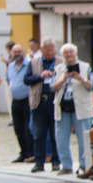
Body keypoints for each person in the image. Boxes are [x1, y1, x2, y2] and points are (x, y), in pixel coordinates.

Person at [52, 43, 93, 176]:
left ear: (76, 54)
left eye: (71, 53)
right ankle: (66, 165)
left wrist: (81, 79)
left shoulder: (85, 67)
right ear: (63, 55)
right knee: (61, 138)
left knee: (84, 137)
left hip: (81, 107)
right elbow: (52, 87)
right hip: (63, 106)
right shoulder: (59, 68)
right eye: (66, 53)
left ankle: (84, 165)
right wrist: (64, 79)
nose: (69, 55)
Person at [25, 39, 63, 172]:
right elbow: (26, 79)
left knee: (55, 133)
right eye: (47, 50)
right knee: (39, 133)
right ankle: (39, 162)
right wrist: (40, 76)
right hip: (39, 101)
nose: (50, 52)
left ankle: (56, 161)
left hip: (55, 101)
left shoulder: (60, 62)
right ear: (42, 50)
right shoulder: (34, 62)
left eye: (52, 50)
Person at [4, 43, 34, 163]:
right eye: (15, 52)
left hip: (27, 100)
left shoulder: (29, 65)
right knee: (18, 129)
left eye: (19, 51)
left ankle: (30, 153)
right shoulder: (10, 66)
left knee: (28, 128)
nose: (17, 54)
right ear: (11, 53)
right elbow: (8, 80)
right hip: (15, 101)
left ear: (23, 52)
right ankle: (23, 152)